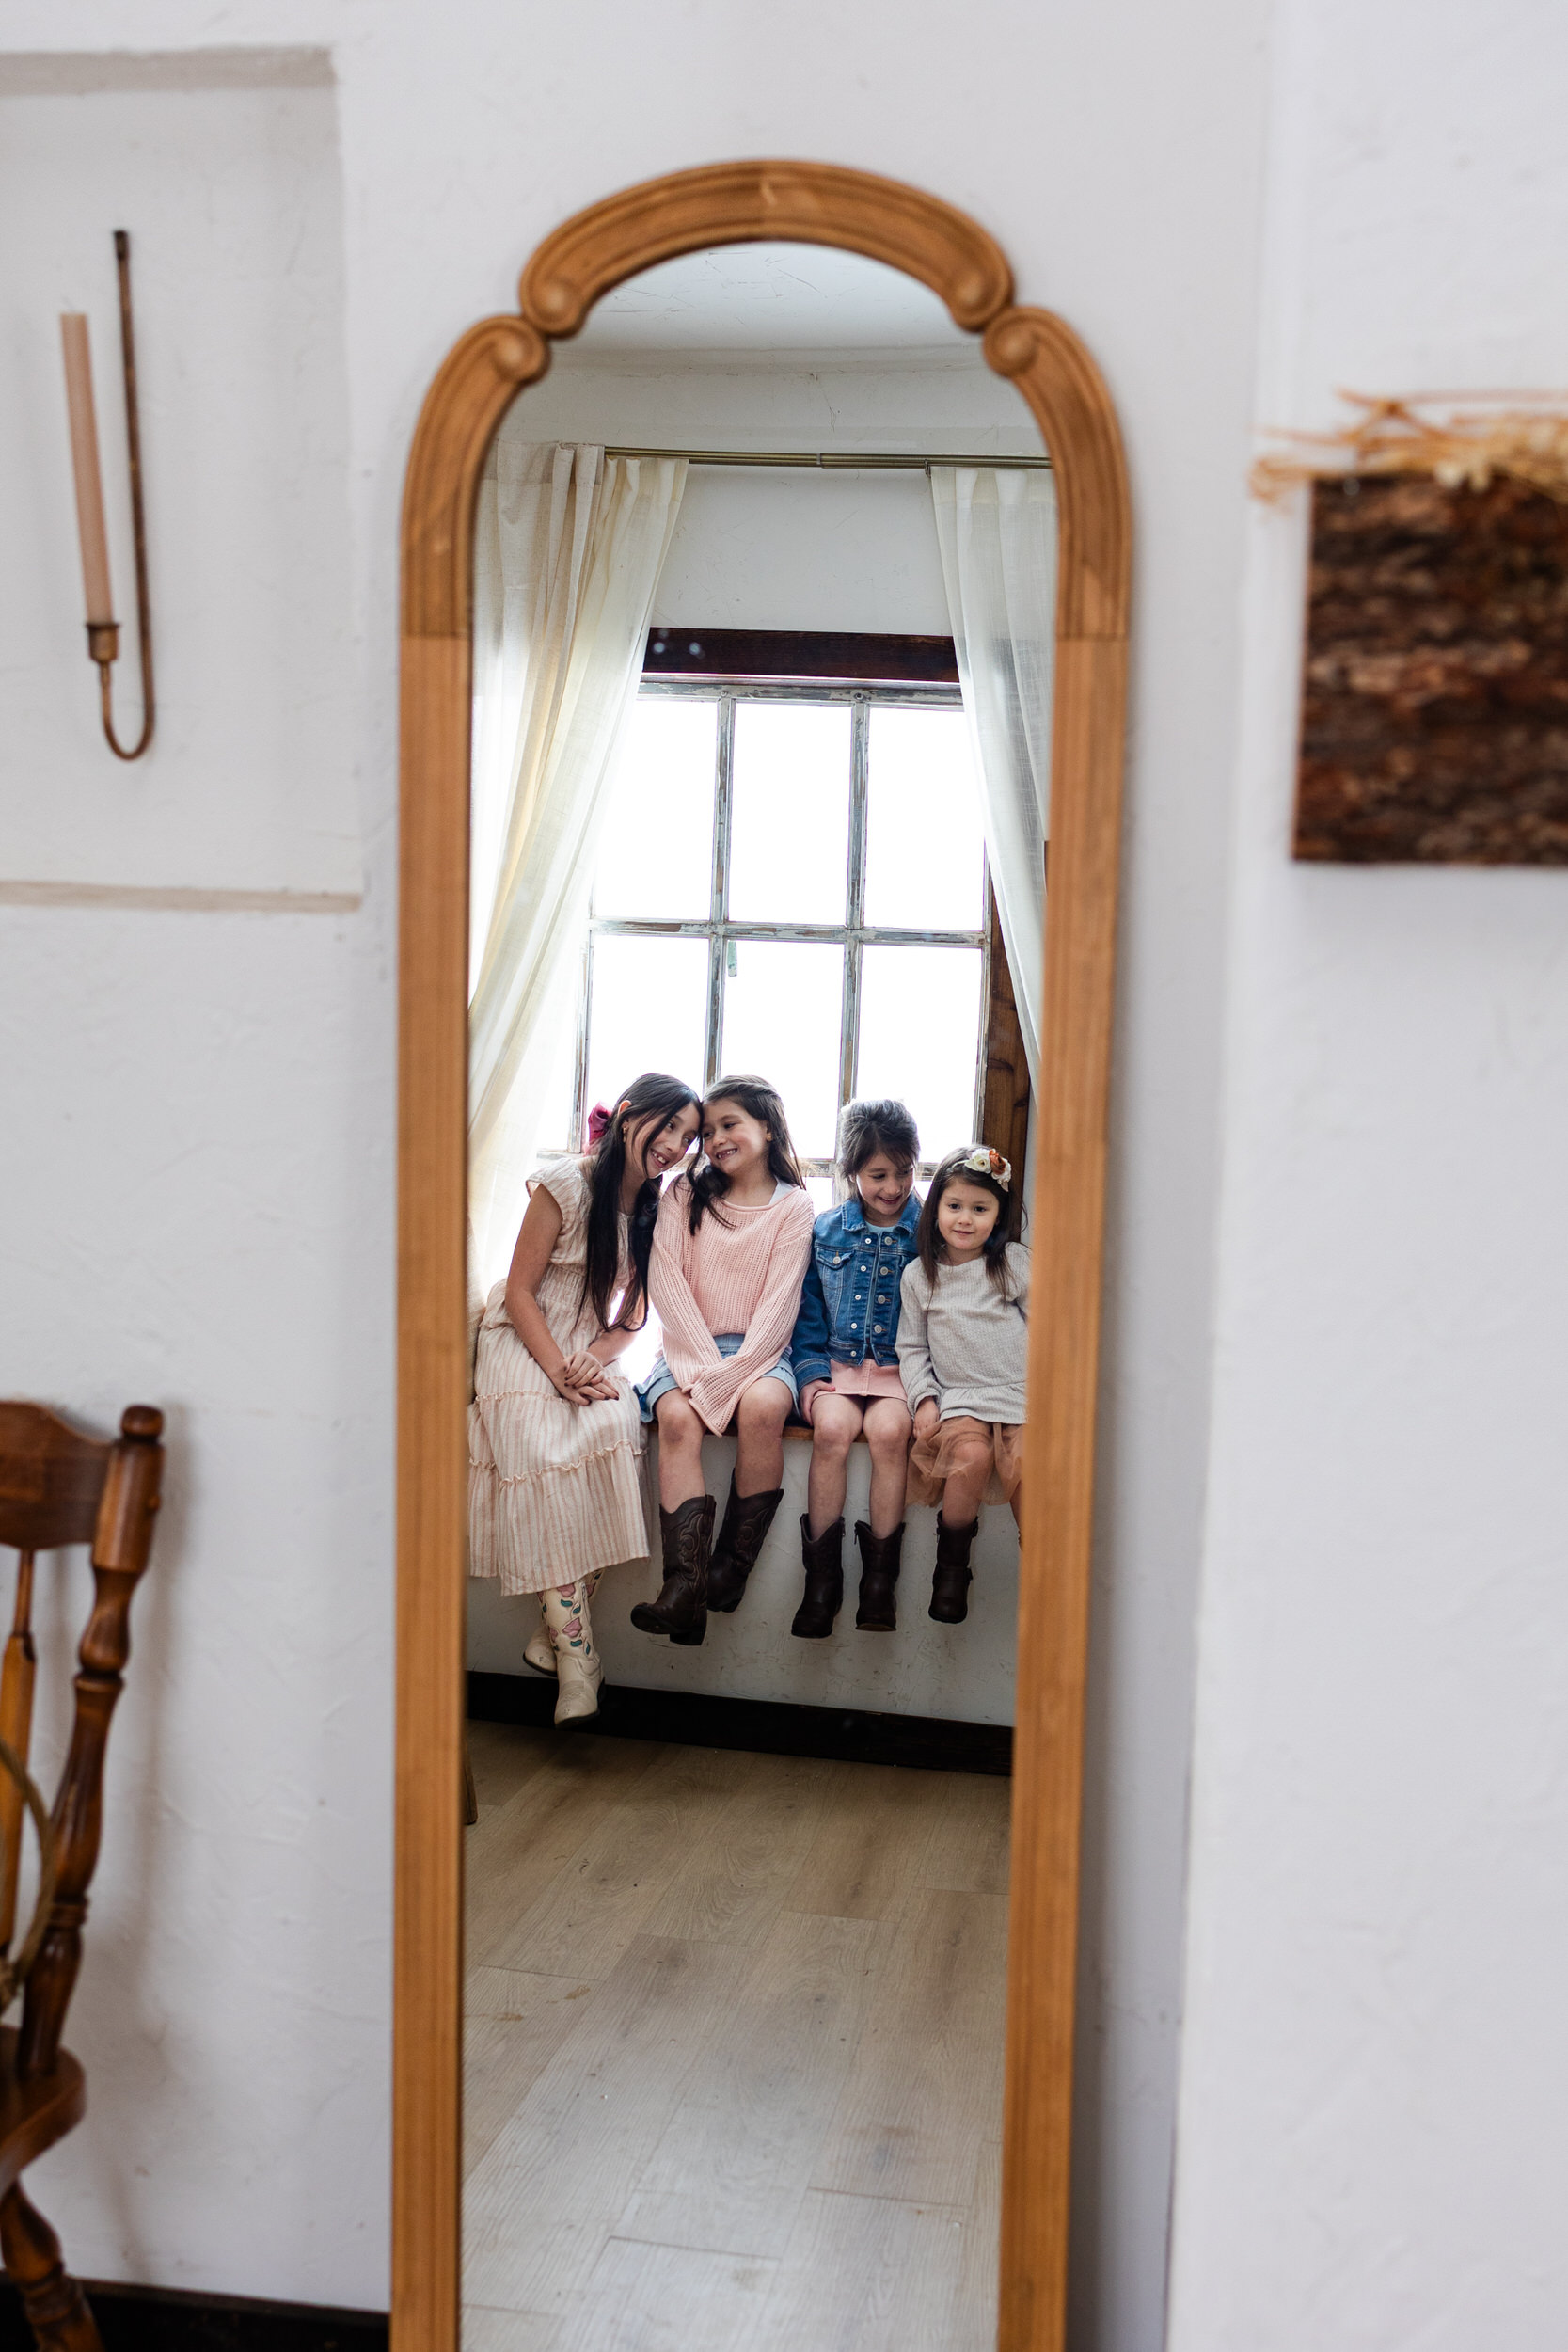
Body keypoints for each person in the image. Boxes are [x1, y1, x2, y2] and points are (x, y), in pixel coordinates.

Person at [468, 1073, 702, 1722]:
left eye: (689, 1136)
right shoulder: (565, 1182)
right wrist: (557, 1370)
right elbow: (518, 1293)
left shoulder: (659, 1209)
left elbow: (632, 1321)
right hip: (522, 1340)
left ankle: (554, 1641)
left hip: (587, 1350)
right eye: (668, 1127)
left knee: (615, 1433)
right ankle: (580, 1661)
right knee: (542, 1452)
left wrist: (589, 1364)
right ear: (628, 1117)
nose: (676, 1145)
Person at [630, 1074, 815, 1646]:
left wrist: (730, 1377)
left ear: (767, 1126)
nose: (714, 1139)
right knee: (679, 1420)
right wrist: (703, 1370)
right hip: (687, 1345)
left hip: (762, 1350)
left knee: (761, 1410)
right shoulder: (685, 1194)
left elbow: (779, 1307)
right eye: (706, 1132)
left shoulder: (796, 1207)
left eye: (729, 1124)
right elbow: (665, 1280)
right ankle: (683, 1589)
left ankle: (730, 1570)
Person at [788, 1099, 922, 1636]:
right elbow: (809, 1312)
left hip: (899, 1376)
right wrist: (810, 1374)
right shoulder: (827, 1231)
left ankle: (878, 1586)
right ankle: (820, 1585)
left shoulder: (929, 1232)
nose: (893, 1186)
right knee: (832, 1432)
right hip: (839, 1371)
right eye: (878, 1175)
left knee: (891, 1437)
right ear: (851, 1173)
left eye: (905, 1171)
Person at [896, 1144, 1030, 1624]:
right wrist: (924, 1399)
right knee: (969, 1458)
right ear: (936, 1211)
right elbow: (911, 1348)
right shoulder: (920, 1276)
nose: (965, 1219)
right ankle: (951, 1568)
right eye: (954, 1207)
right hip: (961, 1399)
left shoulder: (1012, 1261)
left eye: (980, 1209)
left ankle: (1045, 1575)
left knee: (1031, 1468)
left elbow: (1050, 1330)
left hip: (1021, 1395)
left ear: (999, 1215)